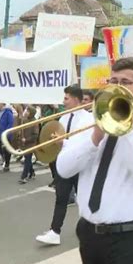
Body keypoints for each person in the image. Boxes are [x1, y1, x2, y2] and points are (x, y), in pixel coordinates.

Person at [56, 57, 133, 264]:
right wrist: (95, 137)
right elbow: (64, 168)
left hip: (131, 235)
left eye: (124, 82)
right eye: (113, 80)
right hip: (89, 232)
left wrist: (121, 126)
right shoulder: (88, 123)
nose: (117, 87)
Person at [36, 85, 93, 245]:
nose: (63, 101)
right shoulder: (63, 118)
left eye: (66, 98)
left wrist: (63, 141)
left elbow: (84, 143)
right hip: (65, 163)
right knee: (61, 198)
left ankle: (88, 229)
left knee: (83, 198)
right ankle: (55, 231)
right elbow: (61, 140)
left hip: (80, 165)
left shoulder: (88, 119)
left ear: (75, 99)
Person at [18, 105, 39, 184]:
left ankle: (24, 176)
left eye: (28, 111)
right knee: (28, 160)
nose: (26, 112)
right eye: (26, 110)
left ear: (31, 113)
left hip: (30, 144)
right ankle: (32, 172)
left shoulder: (35, 122)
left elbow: (35, 135)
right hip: (24, 144)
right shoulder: (25, 120)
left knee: (27, 160)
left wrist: (26, 139)